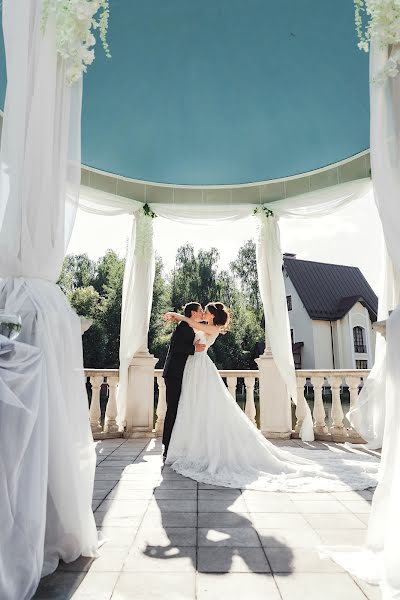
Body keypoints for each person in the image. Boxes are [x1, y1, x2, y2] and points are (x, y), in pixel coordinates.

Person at [162, 302, 380, 492]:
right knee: (193, 407)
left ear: (211, 315)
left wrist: (178, 316)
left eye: (205, 311)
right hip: (193, 369)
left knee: (204, 406)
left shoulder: (213, 328)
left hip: (201, 369)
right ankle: (190, 445)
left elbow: (194, 327)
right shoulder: (205, 326)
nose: (203, 313)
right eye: (202, 311)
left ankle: (199, 448)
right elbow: (192, 337)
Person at [162, 302, 206, 460]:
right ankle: (167, 447)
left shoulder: (189, 326)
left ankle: (177, 445)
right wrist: (194, 349)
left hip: (182, 374)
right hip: (174, 374)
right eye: (200, 310)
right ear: (193, 312)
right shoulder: (183, 327)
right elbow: (175, 348)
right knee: (172, 409)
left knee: (179, 409)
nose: (202, 313)